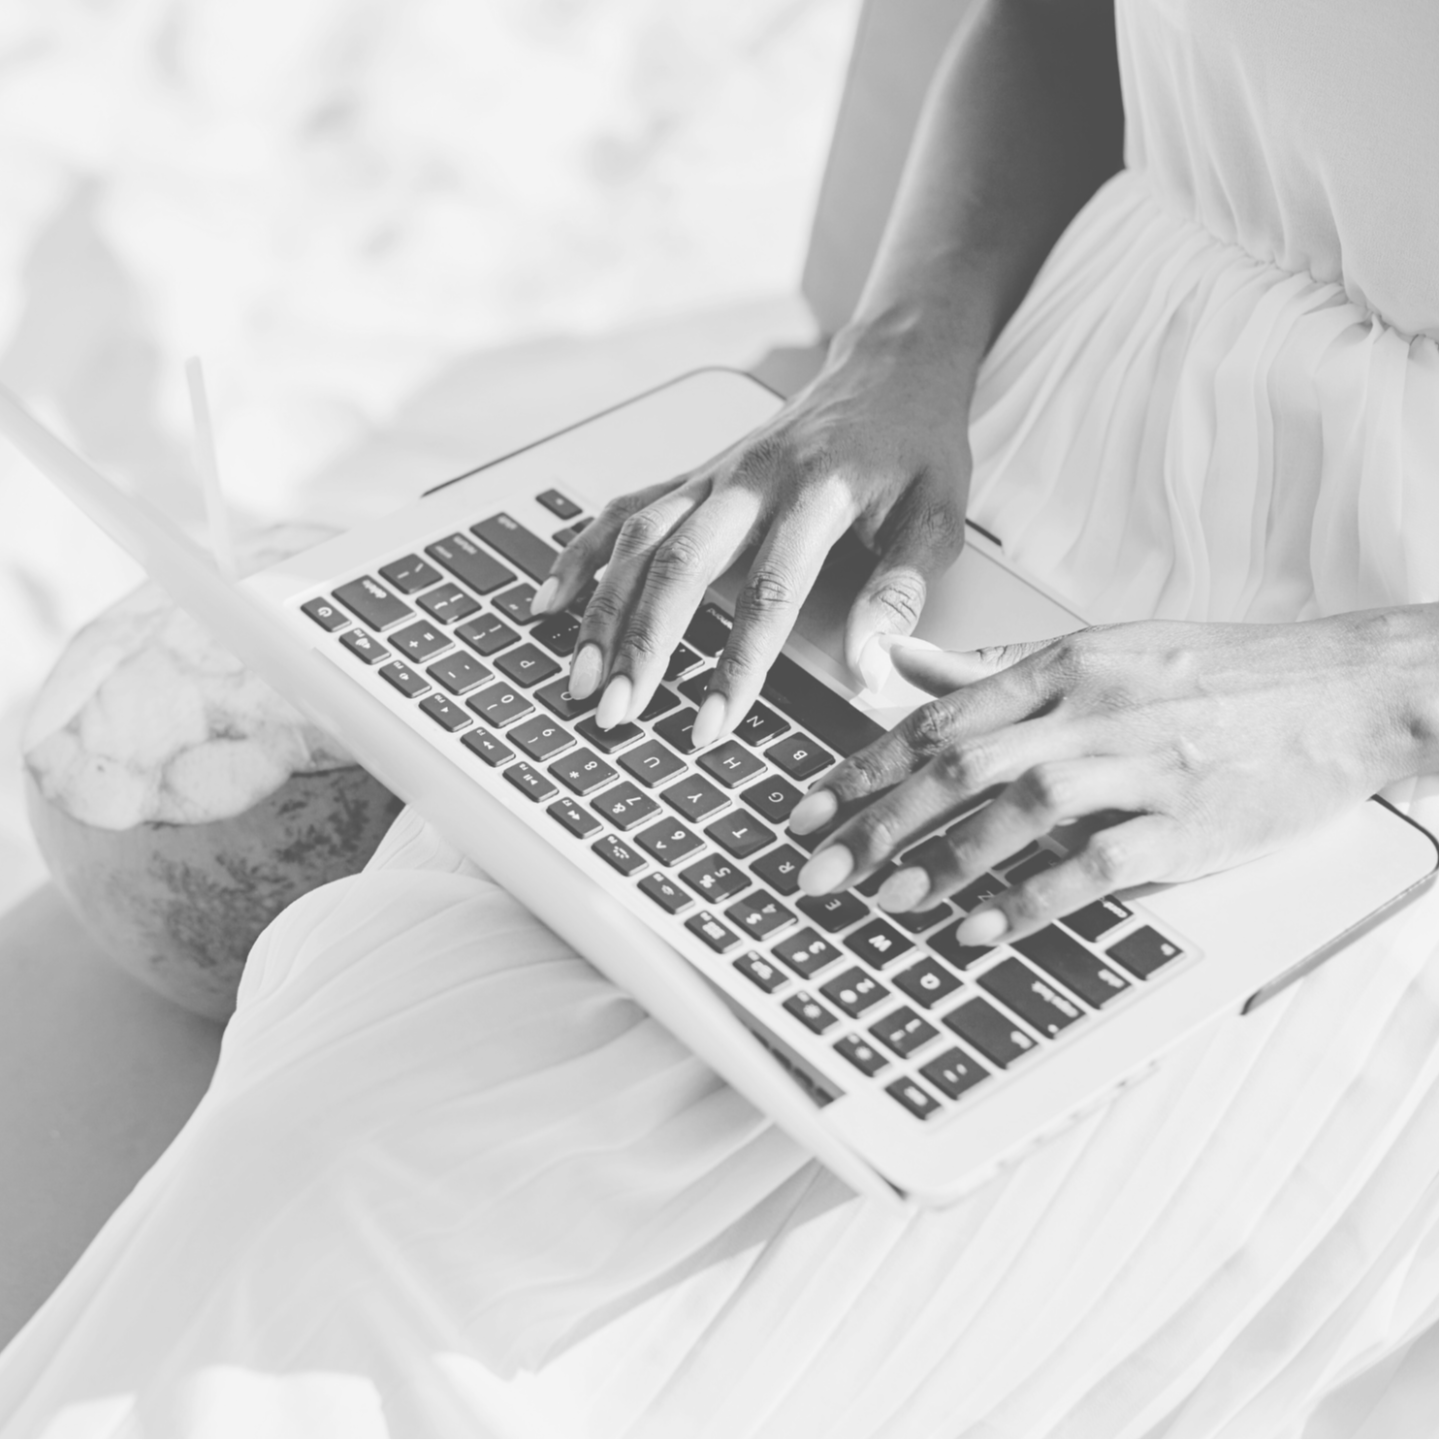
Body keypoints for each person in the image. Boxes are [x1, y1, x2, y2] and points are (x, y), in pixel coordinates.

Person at [1, 0, 1434, 1434]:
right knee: (325, 1169)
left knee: (443, 1315)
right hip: (1003, 434)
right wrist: (897, 347)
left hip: (1346, 720)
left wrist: (1370, 701)